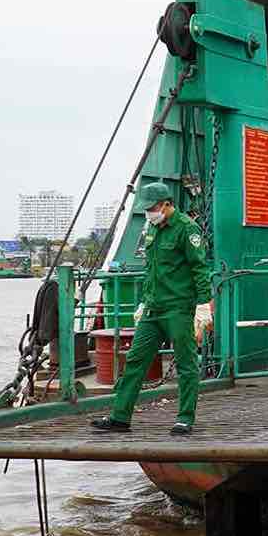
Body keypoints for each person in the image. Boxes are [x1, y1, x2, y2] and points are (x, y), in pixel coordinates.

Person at [92, 183, 212, 436]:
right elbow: (152, 269)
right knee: (135, 360)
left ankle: (184, 418)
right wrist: (145, 300)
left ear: (167, 204)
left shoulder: (187, 229)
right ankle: (120, 417)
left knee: (187, 363)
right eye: (146, 209)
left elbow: (199, 269)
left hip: (179, 308)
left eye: (153, 208)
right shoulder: (152, 229)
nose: (149, 212)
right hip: (153, 309)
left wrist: (203, 304)